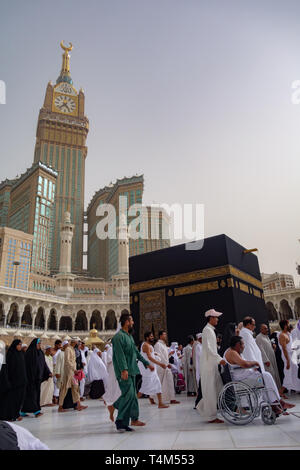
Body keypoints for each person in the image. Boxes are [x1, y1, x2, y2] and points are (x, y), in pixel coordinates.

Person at [224, 336, 295, 414]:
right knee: (266, 376)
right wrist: (255, 363)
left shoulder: (233, 352)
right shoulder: (232, 353)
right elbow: (244, 364)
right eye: (243, 344)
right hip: (241, 381)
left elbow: (242, 366)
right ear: (238, 344)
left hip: (245, 377)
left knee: (265, 379)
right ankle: (277, 403)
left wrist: (252, 368)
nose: (244, 346)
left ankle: (276, 404)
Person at [112, 312, 154, 432]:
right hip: (124, 371)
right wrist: (124, 369)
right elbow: (120, 356)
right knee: (129, 395)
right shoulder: (118, 337)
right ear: (126, 322)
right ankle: (119, 420)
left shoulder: (129, 337)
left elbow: (136, 353)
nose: (133, 323)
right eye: (131, 321)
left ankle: (128, 421)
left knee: (132, 397)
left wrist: (146, 363)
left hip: (132, 370)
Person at [197, 309, 226, 423]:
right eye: (216, 317)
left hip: (212, 364)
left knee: (216, 388)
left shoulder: (210, 330)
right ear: (210, 318)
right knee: (210, 390)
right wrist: (220, 359)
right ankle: (211, 416)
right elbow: (209, 349)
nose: (217, 319)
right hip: (209, 365)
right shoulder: (207, 330)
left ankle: (204, 408)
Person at [21, 338, 51, 418]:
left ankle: (23, 410)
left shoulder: (40, 353)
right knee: (32, 395)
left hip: (38, 378)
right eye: (38, 344)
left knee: (34, 395)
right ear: (34, 344)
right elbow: (27, 366)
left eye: (40, 344)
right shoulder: (29, 353)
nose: (39, 345)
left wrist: (48, 372)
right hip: (30, 378)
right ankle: (36, 411)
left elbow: (44, 364)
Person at [138, 331, 169, 409]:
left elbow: (150, 355)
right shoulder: (145, 345)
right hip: (148, 370)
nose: (152, 337)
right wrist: (160, 364)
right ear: (147, 337)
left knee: (158, 385)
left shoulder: (148, 345)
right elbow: (149, 357)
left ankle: (160, 403)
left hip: (152, 370)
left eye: (152, 336)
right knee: (143, 389)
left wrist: (154, 354)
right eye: (151, 336)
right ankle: (131, 403)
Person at [0, 339, 27, 421]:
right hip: (13, 382)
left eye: (20, 345)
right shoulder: (10, 355)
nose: (20, 346)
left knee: (19, 399)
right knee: (12, 400)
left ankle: (16, 414)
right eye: (18, 345)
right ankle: (11, 415)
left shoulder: (21, 354)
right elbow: (8, 369)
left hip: (21, 381)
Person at [58, 339, 88, 413]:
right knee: (64, 389)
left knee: (75, 388)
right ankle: (60, 406)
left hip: (73, 373)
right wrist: (74, 369)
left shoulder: (73, 349)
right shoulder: (68, 349)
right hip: (68, 373)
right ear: (74, 342)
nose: (78, 344)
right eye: (77, 342)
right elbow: (67, 361)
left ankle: (78, 404)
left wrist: (75, 370)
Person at [154, 330, 180, 405]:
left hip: (166, 366)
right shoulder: (158, 344)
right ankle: (152, 397)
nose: (165, 336)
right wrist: (165, 363)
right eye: (164, 334)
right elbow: (159, 356)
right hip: (161, 366)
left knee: (169, 382)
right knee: (160, 383)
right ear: (160, 336)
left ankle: (172, 399)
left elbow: (165, 356)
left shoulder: (163, 345)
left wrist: (169, 354)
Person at [255, 324, 282, 391]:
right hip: (267, 361)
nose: (267, 330)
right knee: (271, 374)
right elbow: (261, 349)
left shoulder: (266, 336)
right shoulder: (259, 337)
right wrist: (265, 360)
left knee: (275, 374)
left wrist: (273, 348)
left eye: (267, 328)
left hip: (272, 358)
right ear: (261, 330)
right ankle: (273, 391)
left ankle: (278, 390)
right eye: (265, 328)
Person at [278, 319, 300, 392]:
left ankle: (297, 388)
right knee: (288, 373)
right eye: (288, 324)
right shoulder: (282, 335)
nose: (289, 325)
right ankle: (281, 391)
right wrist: (287, 361)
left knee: (295, 371)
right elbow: (284, 349)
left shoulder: (288, 334)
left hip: (291, 355)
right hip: (287, 356)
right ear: (285, 326)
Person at [102, 343, 121, 422]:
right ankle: (111, 414)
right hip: (113, 374)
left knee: (120, 394)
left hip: (120, 373)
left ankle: (120, 417)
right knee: (112, 395)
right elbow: (109, 360)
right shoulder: (111, 349)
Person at [194, 333, 203, 409]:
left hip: (203, 368)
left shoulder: (202, 346)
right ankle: (197, 404)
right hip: (201, 368)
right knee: (201, 387)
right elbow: (201, 356)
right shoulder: (198, 346)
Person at [52, 340, 62, 404]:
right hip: (53, 368)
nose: (60, 346)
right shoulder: (51, 351)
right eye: (59, 345)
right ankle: (54, 397)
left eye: (60, 345)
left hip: (59, 369)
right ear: (55, 344)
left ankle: (57, 397)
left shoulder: (60, 351)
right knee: (53, 383)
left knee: (58, 383)